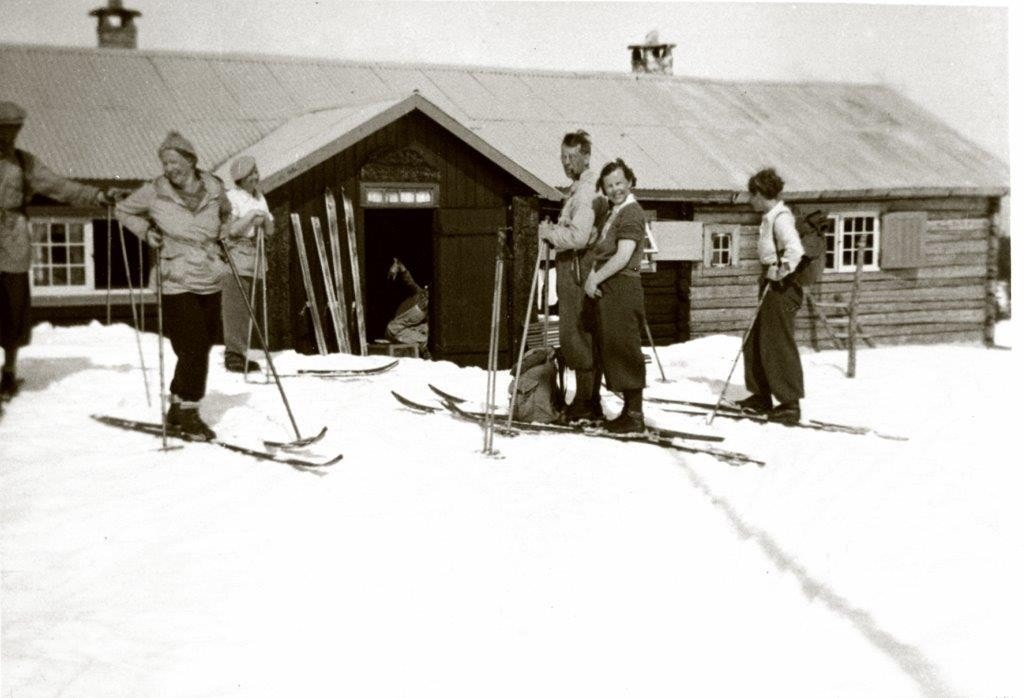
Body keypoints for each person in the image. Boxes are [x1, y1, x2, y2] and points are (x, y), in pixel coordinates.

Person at [1, 101, 128, 400]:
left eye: (15, 130)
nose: (10, 137)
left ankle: (8, 372)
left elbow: (60, 186)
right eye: (5, 130)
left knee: (13, 308)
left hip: (13, 242)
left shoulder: (23, 162)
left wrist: (98, 195)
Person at [116, 131, 231, 439]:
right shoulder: (154, 191)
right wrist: (146, 232)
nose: (169, 168)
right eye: (165, 162)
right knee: (192, 346)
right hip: (175, 277)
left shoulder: (215, 187)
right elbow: (123, 210)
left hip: (209, 274)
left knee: (201, 345)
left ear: (191, 161)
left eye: (175, 161)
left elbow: (227, 215)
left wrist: (223, 235)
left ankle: (177, 405)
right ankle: (190, 410)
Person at [538, 130, 606, 422]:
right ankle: (588, 400)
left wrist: (550, 233)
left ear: (587, 156)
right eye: (563, 157)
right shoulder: (578, 187)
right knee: (580, 334)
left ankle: (585, 402)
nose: (566, 163)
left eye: (572, 157)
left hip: (579, 270)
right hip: (575, 270)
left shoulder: (588, 190)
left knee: (577, 335)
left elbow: (579, 237)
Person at [738, 167, 806, 425]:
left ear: (760, 193)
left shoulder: (780, 218)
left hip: (782, 287)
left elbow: (795, 250)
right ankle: (761, 394)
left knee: (777, 343)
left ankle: (790, 404)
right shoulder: (770, 216)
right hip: (770, 282)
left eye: (751, 195)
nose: (749, 200)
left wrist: (781, 271)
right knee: (755, 339)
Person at [584, 159, 647, 434]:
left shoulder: (631, 212)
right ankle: (628, 411)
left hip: (623, 287)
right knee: (615, 347)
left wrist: (595, 278)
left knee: (625, 347)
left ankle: (634, 414)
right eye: (609, 185)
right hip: (612, 289)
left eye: (619, 183)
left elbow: (622, 257)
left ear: (630, 181)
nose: (615, 189)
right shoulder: (615, 211)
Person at [221, 155, 273, 373]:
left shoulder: (259, 197)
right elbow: (231, 230)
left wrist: (265, 220)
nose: (256, 177)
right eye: (251, 173)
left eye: (256, 172)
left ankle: (241, 352)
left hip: (255, 253)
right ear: (241, 178)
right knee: (236, 305)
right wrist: (252, 216)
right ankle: (233, 354)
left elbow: (270, 231)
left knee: (249, 306)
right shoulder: (232, 197)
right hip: (236, 252)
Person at [386, 257, 430, 358]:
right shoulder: (419, 294)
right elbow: (409, 281)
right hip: (394, 328)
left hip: (402, 333)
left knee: (423, 335)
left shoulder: (428, 312)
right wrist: (400, 267)